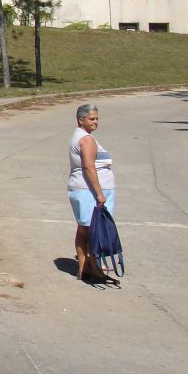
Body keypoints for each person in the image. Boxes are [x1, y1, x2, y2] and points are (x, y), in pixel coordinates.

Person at [68, 103, 118, 283]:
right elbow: (89, 166)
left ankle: (84, 268)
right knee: (93, 231)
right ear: (81, 120)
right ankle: (94, 269)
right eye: (91, 119)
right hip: (89, 191)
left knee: (84, 229)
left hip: (82, 189)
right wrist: (99, 193)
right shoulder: (86, 139)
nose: (95, 122)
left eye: (96, 118)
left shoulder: (79, 136)